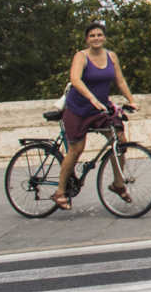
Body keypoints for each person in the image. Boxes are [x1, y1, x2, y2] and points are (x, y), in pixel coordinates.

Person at [53, 21, 137, 211]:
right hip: (79, 108)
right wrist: (91, 98)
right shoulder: (81, 57)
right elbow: (75, 79)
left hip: (100, 108)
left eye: (99, 35)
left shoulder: (111, 56)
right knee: (76, 149)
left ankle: (118, 183)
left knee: (120, 140)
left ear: (104, 37)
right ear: (87, 39)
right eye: (92, 36)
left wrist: (131, 100)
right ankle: (59, 192)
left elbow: (120, 80)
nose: (96, 38)